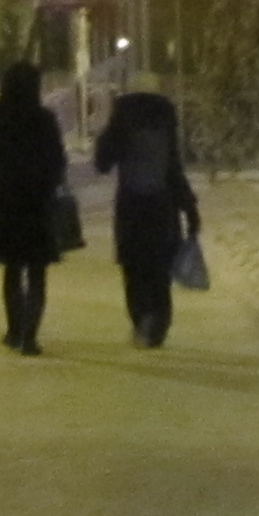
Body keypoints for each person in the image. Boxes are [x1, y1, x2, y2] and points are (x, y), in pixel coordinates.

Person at [90, 88, 203, 349]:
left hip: (131, 206)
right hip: (163, 206)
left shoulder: (122, 125)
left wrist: (107, 132)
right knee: (159, 269)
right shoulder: (164, 124)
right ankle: (159, 322)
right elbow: (174, 169)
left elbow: (102, 163)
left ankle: (141, 318)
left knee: (134, 266)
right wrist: (189, 208)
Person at [0, 61, 72, 353]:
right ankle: (30, 336)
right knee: (37, 271)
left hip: (7, 197)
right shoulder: (44, 119)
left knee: (12, 267)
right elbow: (58, 158)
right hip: (39, 199)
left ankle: (14, 328)